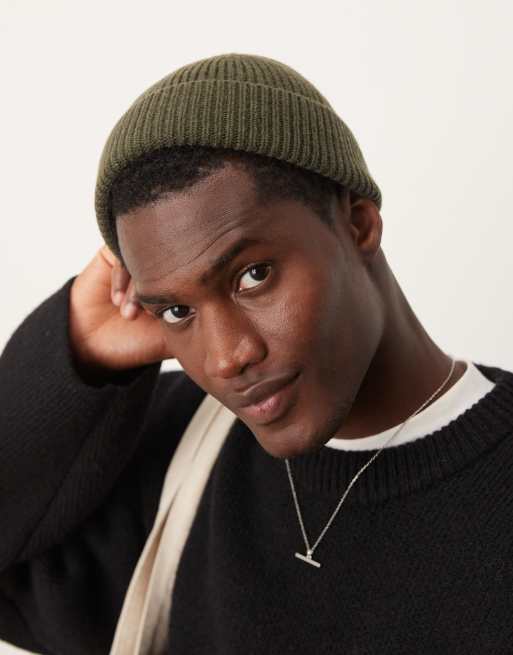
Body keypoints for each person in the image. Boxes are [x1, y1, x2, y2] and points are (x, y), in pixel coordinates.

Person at [1, 52, 513, 655]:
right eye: (177, 311)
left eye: (253, 275)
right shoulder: (177, 453)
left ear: (358, 224)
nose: (226, 358)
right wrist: (76, 352)